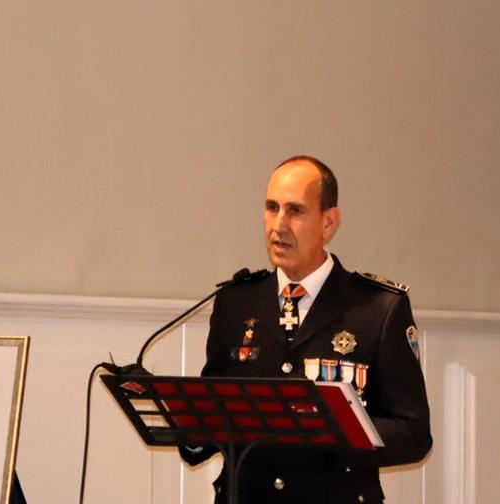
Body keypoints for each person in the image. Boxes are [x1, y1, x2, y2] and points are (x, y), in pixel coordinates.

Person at [180, 156, 432, 503]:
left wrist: (335, 431)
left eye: (295, 211)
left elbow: (413, 433)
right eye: (272, 208)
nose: (278, 225)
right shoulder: (235, 303)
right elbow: (214, 414)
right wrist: (190, 428)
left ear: (329, 222)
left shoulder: (378, 308)